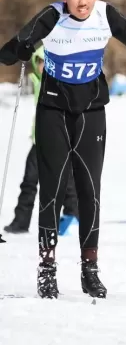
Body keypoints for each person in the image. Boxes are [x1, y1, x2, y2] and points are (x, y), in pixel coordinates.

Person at [0, 0, 126, 298]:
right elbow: (8, 52)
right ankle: (47, 269)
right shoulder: (52, 16)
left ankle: (90, 270)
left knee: (90, 192)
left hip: (91, 113)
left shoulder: (105, 15)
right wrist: (23, 49)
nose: (82, 2)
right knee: (53, 191)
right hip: (53, 113)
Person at [4, 46, 79, 235]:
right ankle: (21, 222)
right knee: (29, 182)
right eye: (40, 63)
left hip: (61, 142)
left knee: (66, 184)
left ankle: (74, 218)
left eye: (48, 63)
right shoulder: (36, 81)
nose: (44, 67)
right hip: (39, 141)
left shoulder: (63, 83)